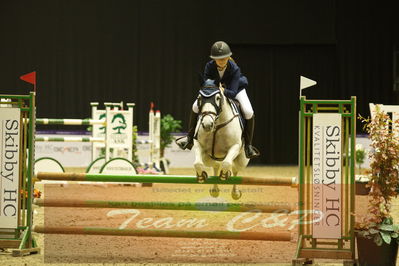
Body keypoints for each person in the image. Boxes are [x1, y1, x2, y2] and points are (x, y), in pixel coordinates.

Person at [177, 41, 260, 159]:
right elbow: (206, 86)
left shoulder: (234, 69)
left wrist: (222, 90)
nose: (221, 61)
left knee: (248, 111)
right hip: (215, 91)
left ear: (228, 57)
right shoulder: (209, 66)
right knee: (195, 106)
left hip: (235, 90)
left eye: (224, 58)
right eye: (218, 58)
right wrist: (216, 90)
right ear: (213, 59)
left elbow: (232, 93)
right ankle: (189, 138)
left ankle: (248, 146)